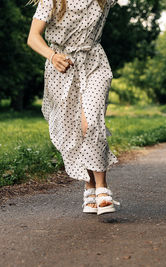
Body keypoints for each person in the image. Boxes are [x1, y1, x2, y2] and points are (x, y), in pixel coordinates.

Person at [27, 0, 120, 215]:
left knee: (91, 121)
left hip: (94, 63)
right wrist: (52, 56)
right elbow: (33, 37)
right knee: (76, 131)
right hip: (63, 68)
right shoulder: (52, 1)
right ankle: (89, 187)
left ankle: (102, 188)